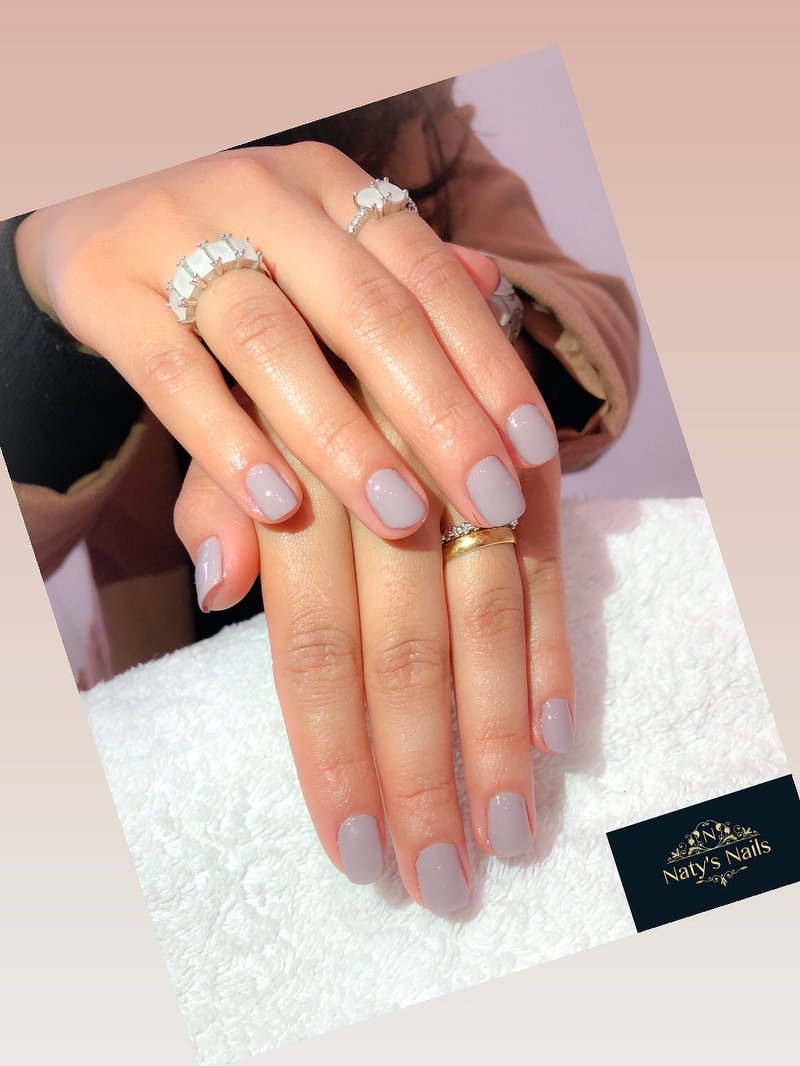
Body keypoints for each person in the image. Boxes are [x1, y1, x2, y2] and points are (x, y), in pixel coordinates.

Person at [0, 76, 640, 914]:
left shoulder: (406, 113)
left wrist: (446, 350)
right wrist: (36, 291)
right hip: (173, 691)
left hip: (435, 630)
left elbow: (590, 309)